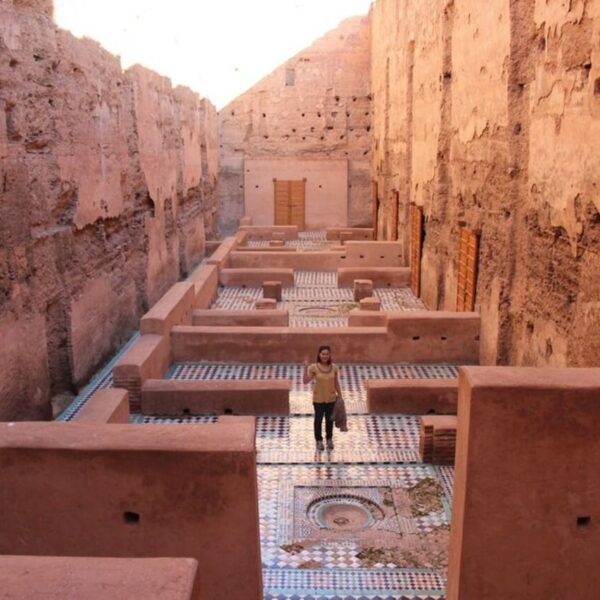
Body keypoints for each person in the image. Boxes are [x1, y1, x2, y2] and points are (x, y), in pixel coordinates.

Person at [303, 345, 343, 451]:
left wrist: (340, 395)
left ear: (330, 355)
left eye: (327, 354)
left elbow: (336, 382)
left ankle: (329, 439)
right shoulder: (313, 367)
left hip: (331, 398)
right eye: (323, 354)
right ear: (319, 355)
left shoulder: (334, 367)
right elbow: (305, 381)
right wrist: (305, 367)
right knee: (318, 420)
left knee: (330, 420)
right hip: (318, 399)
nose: (325, 356)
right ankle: (319, 441)